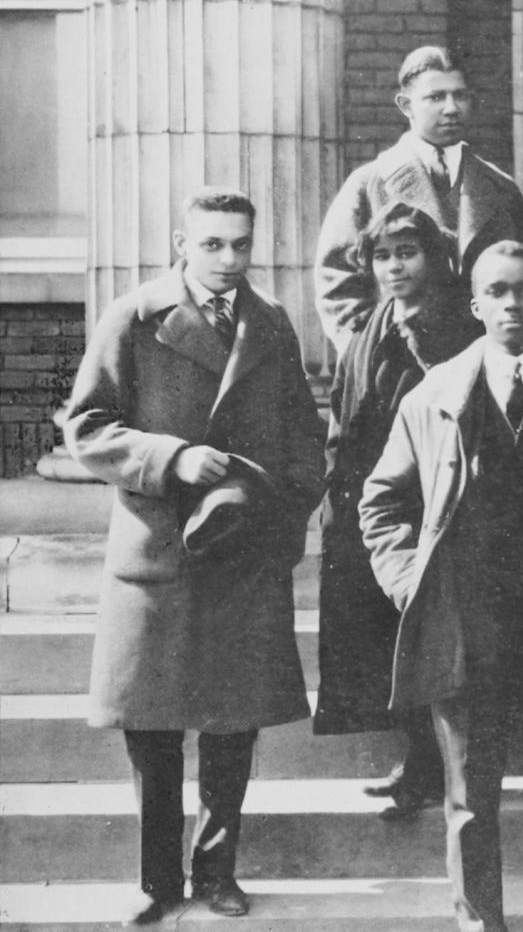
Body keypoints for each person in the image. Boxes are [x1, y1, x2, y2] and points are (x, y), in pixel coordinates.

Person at [64, 190, 325, 923]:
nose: (229, 260)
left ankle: (217, 873)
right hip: (157, 553)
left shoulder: (268, 323)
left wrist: (280, 510)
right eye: (212, 244)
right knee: (151, 729)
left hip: (240, 551)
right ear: (182, 242)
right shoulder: (134, 316)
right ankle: (157, 884)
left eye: (241, 244)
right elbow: (84, 425)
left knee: (231, 722)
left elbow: (304, 436)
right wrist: (170, 457)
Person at [359, 241, 523, 932]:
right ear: (475, 305)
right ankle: (481, 925)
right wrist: (410, 582)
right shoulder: (435, 395)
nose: (512, 305)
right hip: (466, 629)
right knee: (471, 800)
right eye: (497, 292)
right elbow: (380, 501)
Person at [313, 202, 478, 819]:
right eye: (382, 255)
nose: (394, 266)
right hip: (370, 506)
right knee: (382, 638)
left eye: (407, 253)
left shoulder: (456, 325)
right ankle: (416, 762)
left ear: (433, 258)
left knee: (431, 635)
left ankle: (439, 771)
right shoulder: (370, 326)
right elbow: (343, 412)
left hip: (431, 504)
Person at [315, 44, 523, 356]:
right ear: (406, 105)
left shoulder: (500, 187)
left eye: (461, 95)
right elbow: (337, 284)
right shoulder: (369, 184)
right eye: (436, 97)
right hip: (398, 369)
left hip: (484, 365)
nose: (452, 108)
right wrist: (370, 358)